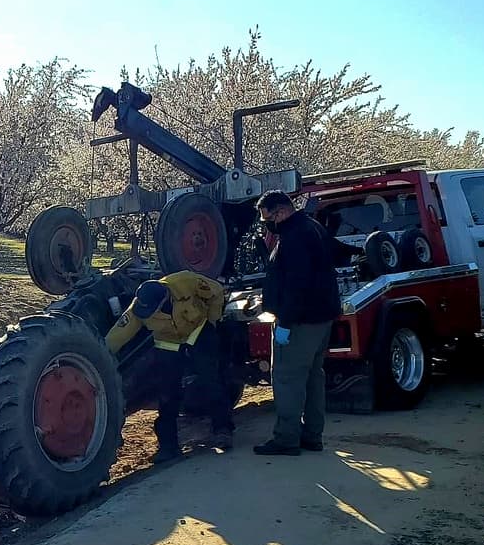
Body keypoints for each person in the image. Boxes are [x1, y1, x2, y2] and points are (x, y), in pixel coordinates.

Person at [105, 270, 234, 462]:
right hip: (168, 344)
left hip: (198, 331)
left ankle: (222, 430)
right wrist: (102, 354)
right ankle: (168, 446)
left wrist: (213, 321)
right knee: (167, 395)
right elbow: (118, 335)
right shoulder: (139, 307)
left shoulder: (185, 281)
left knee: (211, 381)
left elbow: (215, 291)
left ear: (164, 300)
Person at [254, 190, 341, 456]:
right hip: (321, 318)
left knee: (287, 379)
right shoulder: (311, 227)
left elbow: (296, 284)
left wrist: (285, 323)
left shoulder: (294, 237)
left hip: (300, 322)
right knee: (314, 377)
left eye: (267, 218)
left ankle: (286, 438)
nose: (267, 223)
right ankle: (313, 435)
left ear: (280, 211)